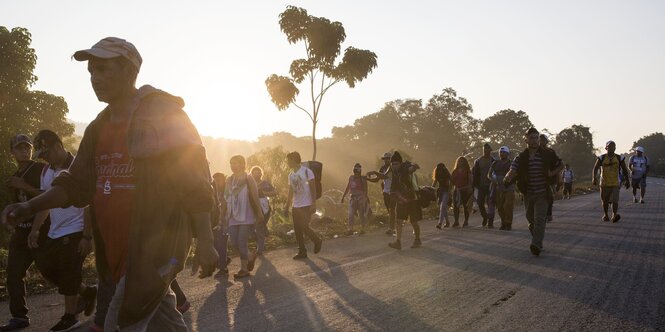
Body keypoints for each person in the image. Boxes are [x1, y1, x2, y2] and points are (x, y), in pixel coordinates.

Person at [2, 37, 219, 331]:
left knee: (120, 321)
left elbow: (193, 180)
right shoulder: (98, 127)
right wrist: (29, 205)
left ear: (129, 72)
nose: (95, 78)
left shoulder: (162, 115)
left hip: (152, 251)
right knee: (163, 321)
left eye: (104, 70)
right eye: (92, 71)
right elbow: (74, 184)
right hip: (114, 253)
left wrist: (205, 239)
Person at [25, 130, 97, 331]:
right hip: (55, 231)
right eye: (42, 155)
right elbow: (46, 203)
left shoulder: (77, 168)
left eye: (46, 153)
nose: (45, 158)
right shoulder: (46, 172)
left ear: (58, 146)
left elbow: (89, 204)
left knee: (69, 270)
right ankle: (87, 292)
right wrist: (35, 229)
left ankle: (69, 317)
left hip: (76, 229)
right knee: (47, 268)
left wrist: (86, 236)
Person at [0, 134, 50, 332]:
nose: (24, 150)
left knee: (51, 271)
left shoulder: (39, 169)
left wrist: (24, 186)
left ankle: (83, 293)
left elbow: (49, 197)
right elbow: (21, 206)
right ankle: (19, 317)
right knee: (13, 273)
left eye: (27, 147)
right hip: (21, 233)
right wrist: (12, 220)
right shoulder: (14, 175)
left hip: (41, 230)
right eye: (19, 148)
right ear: (12, 151)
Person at [504, 128, 564, 256]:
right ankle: (538, 239)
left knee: (540, 219)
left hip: (543, 192)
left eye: (537, 137)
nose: (535, 140)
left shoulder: (547, 154)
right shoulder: (521, 157)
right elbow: (512, 170)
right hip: (528, 193)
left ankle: (536, 244)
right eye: (531, 138)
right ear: (525, 139)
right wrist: (507, 178)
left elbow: (561, 165)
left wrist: (552, 173)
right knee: (530, 219)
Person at [225, 156, 263, 278]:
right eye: (231, 163)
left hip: (247, 214)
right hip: (233, 215)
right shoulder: (229, 180)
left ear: (242, 164)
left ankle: (244, 269)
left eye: (235, 163)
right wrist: (223, 213)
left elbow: (255, 196)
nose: (232, 166)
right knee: (234, 242)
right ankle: (250, 256)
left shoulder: (248, 178)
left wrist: (259, 212)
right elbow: (226, 197)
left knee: (241, 240)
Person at [285, 152, 322, 259]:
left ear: (293, 159)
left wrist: (313, 203)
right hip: (296, 205)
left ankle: (316, 240)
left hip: (306, 204)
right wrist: (287, 206)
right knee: (297, 229)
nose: (287, 163)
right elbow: (290, 191)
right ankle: (302, 251)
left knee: (304, 226)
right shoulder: (291, 174)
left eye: (288, 160)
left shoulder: (307, 171)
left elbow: (313, 188)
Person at [387, 152, 422, 250]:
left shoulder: (405, 168)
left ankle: (417, 239)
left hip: (412, 200)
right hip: (401, 200)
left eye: (396, 163)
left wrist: (414, 167)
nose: (394, 166)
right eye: (393, 164)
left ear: (400, 163)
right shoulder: (394, 173)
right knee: (398, 221)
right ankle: (398, 242)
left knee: (414, 222)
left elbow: (410, 169)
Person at [592, 141, 631, 223]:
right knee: (605, 201)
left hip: (615, 183)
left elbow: (624, 169)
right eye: (609, 146)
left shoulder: (619, 158)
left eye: (613, 146)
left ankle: (614, 215)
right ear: (606, 148)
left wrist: (627, 180)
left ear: (615, 148)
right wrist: (594, 178)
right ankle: (606, 214)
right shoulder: (601, 158)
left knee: (615, 201)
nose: (611, 148)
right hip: (604, 184)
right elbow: (595, 168)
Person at [250, 166, 277, 255]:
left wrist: (264, 193)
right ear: (251, 173)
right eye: (254, 172)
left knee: (259, 227)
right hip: (250, 208)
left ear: (261, 173)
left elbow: (274, 192)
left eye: (258, 172)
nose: (257, 174)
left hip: (264, 208)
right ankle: (263, 236)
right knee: (254, 228)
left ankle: (260, 249)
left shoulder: (265, 183)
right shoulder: (248, 183)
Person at [489, 146, 515, 231]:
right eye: (500, 152)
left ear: (507, 154)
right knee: (500, 207)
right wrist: (493, 180)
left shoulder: (511, 163)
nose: (502, 154)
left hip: (509, 187)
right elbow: (489, 174)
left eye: (504, 153)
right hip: (498, 188)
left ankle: (508, 223)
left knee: (508, 205)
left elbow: (515, 173)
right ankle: (503, 222)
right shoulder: (495, 163)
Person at [341, 163, 370, 235]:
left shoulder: (363, 179)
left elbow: (366, 190)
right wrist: (343, 196)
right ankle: (350, 229)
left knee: (361, 214)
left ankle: (363, 228)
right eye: (355, 170)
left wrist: (365, 199)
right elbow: (348, 187)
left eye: (357, 170)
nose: (356, 172)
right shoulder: (351, 178)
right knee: (351, 214)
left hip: (361, 198)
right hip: (353, 198)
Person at [472, 143, 496, 228]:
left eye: (487, 149)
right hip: (481, 185)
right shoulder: (478, 161)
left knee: (491, 203)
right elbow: (475, 174)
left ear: (490, 150)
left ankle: (490, 221)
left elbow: (496, 172)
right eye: (484, 149)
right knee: (480, 203)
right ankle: (485, 217)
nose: (486, 151)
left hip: (491, 185)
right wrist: (474, 185)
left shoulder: (493, 161)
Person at [212, 172, 231, 276]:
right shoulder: (215, 190)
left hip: (225, 219)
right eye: (215, 181)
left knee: (222, 243)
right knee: (216, 242)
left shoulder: (227, 189)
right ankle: (224, 260)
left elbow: (224, 204)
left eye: (219, 180)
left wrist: (220, 219)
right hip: (219, 219)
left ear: (224, 179)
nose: (217, 182)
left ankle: (223, 268)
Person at [540, 134, 559, 222]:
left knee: (549, 198)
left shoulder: (551, 152)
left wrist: (556, 177)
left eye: (543, 140)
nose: (541, 142)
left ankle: (548, 214)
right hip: (537, 179)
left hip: (549, 180)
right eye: (540, 140)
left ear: (546, 142)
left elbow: (558, 165)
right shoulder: (533, 152)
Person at [451, 156, 473, 228]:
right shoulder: (455, 171)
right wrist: (450, 190)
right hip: (457, 191)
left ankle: (466, 220)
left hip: (465, 191)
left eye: (462, 161)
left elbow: (470, 180)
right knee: (455, 206)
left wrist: (469, 188)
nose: (461, 162)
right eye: (459, 161)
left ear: (465, 162)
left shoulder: (467, 170)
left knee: (465, 206)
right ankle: (456, 221)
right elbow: (452, 181)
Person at [432, 163, 451, 229]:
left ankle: (440, 223)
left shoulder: (446, 174)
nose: (440, 171)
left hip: (446, 191)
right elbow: (435, 182)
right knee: (443, 207)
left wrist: (450, 190)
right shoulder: (437, 173)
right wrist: (431, 189)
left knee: (442, 207)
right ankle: (447, 222)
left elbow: (450, 182)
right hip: (440, 191)